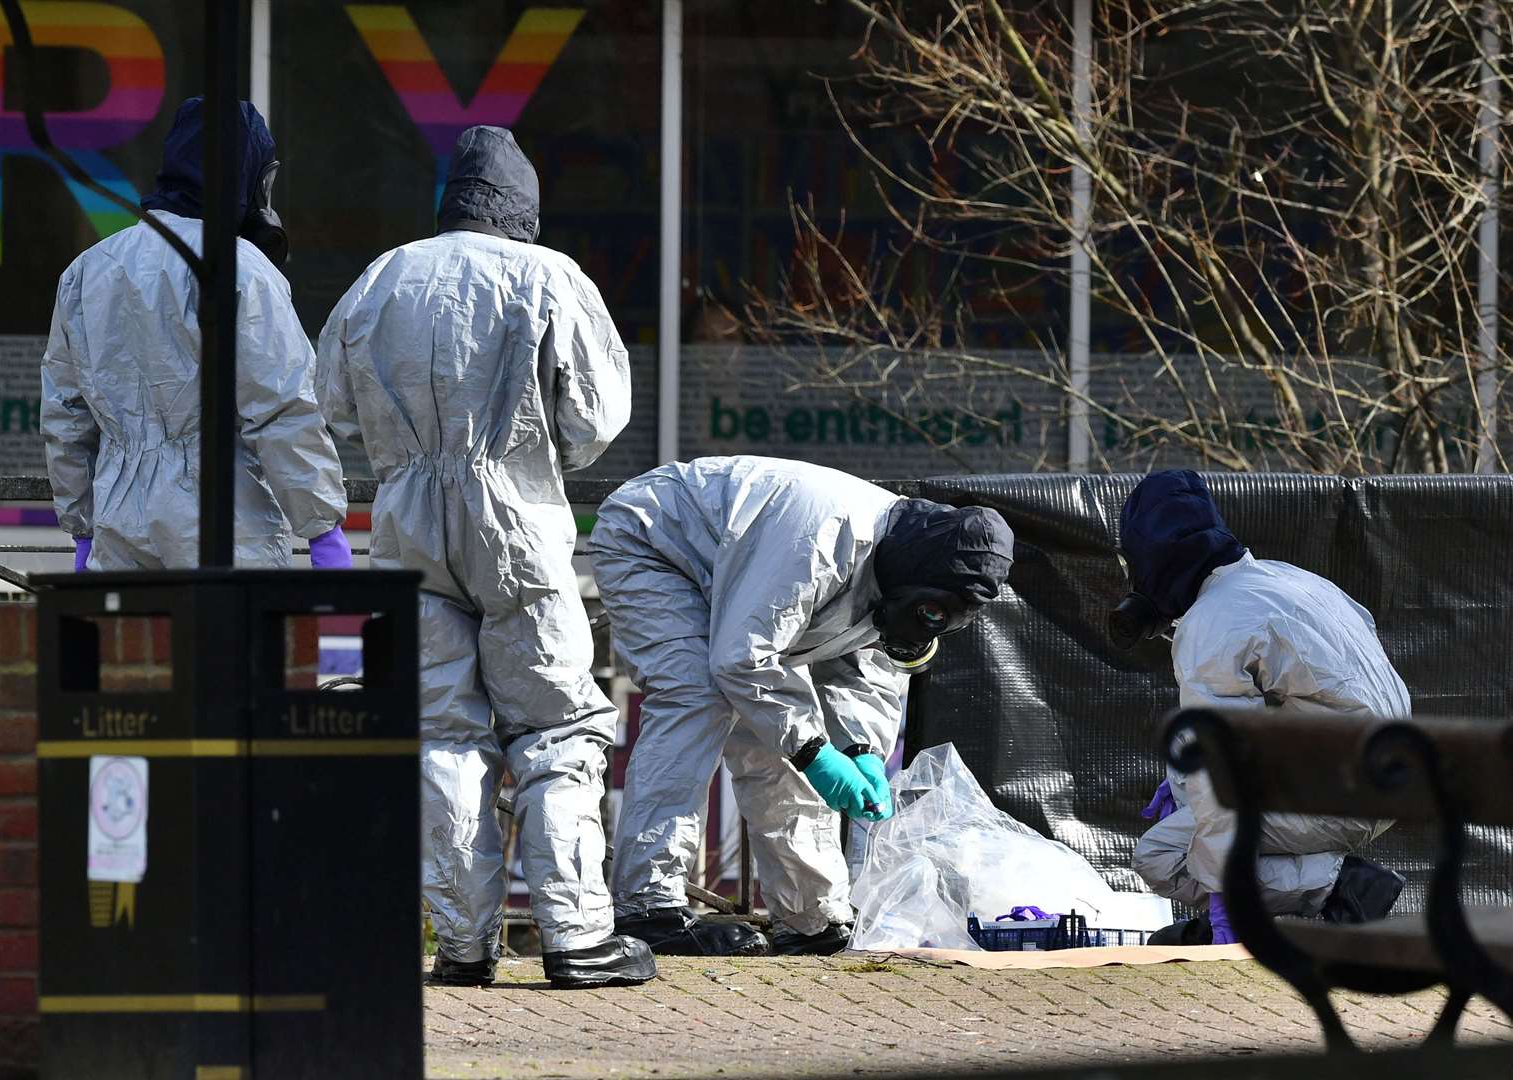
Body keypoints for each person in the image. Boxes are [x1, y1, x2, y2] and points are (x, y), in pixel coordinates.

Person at [316, 126, 654, 990]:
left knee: (443, 734)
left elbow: (330, 407)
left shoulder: (381, 278)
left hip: (406, 522)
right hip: (517, 518)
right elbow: (597, 417)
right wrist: (531, 455)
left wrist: (404, 456)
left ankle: (462, 946)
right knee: (555, 725)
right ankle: (577, 939)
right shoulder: (548, 277)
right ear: (523, 209)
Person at [589, 455, 1014, 956]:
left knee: (781, 734)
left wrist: (861, 751)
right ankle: (648, 907)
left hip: (740, 572)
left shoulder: (908, 571)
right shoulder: (819, 540)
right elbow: (744, 658)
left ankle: (812, 917)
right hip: (657, 541)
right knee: (697, 699)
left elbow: (865, 668)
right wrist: (815, 750)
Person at [41, 97, 350, 571]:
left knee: (138, 645)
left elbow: (65, 415)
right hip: (224, 521)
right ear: (252, 177)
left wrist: (82, 527)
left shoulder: (88, 270)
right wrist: (323, 527)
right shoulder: (239, 268)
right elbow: (281, 408)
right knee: (231, 645)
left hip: (119, 525)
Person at [1111, 470, 1410, 945]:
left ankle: (1341, 887)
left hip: (1334, 794)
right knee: (1197, 801)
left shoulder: (1212, 621)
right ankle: (1329, 885)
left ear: (1152, 560)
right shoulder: (1292, 579)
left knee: (1162, 855)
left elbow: (1220, 767)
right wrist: (1180, 784)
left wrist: (1226, 900)